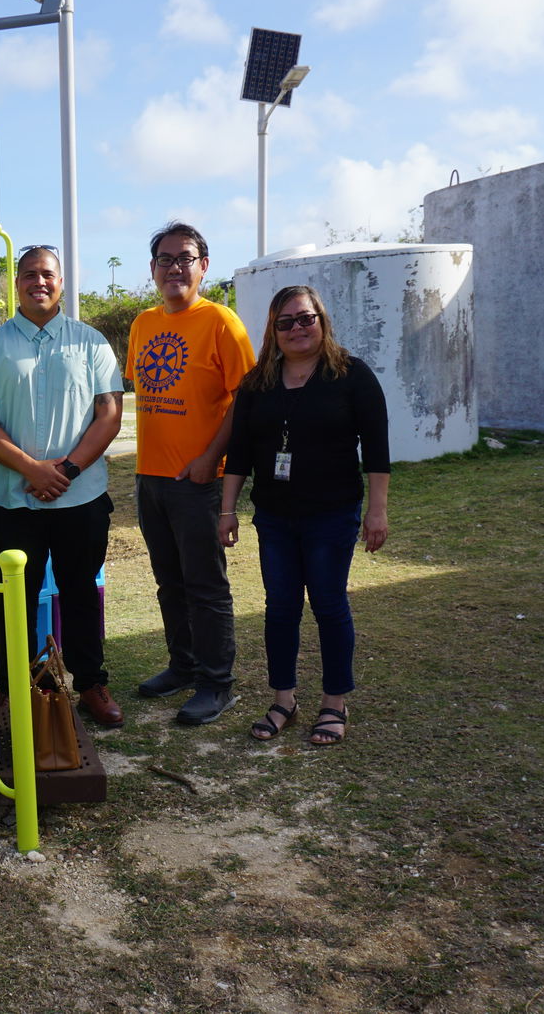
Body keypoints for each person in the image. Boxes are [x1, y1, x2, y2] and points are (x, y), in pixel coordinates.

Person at [221, 285, 390, 746]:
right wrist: (227, 509)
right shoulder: (257, 384)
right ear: (273, 331)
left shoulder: (351, 375)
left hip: (332, 515)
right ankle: (284, 699)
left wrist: (377, 511)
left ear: (322, 321)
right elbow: (238, 453)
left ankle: (334, 703)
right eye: (286, 322)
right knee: (280, 609)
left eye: (306, 318)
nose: (297, 328)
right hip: (274, 517)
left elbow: (377, 449)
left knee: (329, 605)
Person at [0, 245, 125, 727]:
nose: (40, 281)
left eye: (48, 275)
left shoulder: (92, 342)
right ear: (16, 283)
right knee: (11, 598)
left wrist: (67, 471)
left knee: (81, 592)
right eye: (30, 274)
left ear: (62, 283)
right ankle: (11, 688)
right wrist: (32, 470)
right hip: (8, 500)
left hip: (80, 497)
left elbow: (109, 415)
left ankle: (90, 683)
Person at [127, 222, 256, 725]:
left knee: (205, 585)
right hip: (150, 478)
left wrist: (208, 460)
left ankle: (216, 683)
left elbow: (246, 399)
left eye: (185, 258)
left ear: (204, 266)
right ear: (153, 268)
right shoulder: (142, 324)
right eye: (165, 258)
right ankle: (182, 666)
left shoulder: (222, 322)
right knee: (168, 582)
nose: (174, 267)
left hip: (199, 481)